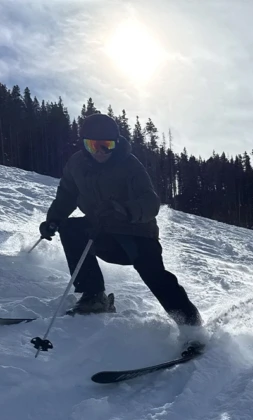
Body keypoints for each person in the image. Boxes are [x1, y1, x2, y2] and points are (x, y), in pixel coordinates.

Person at [38, 113, 202, 326]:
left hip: (136, 234)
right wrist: (54, 220)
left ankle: (191, 325)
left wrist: (123, 210)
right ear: (83, 145)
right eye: (91, 145)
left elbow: (150, 202)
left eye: (106, 146)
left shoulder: (129, 165)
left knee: (155, 275)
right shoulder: (76, 164)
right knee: (70, 228)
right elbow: (67, 195)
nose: (99, 152)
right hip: (101, 233)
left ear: (116, 143)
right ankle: (94, 297)